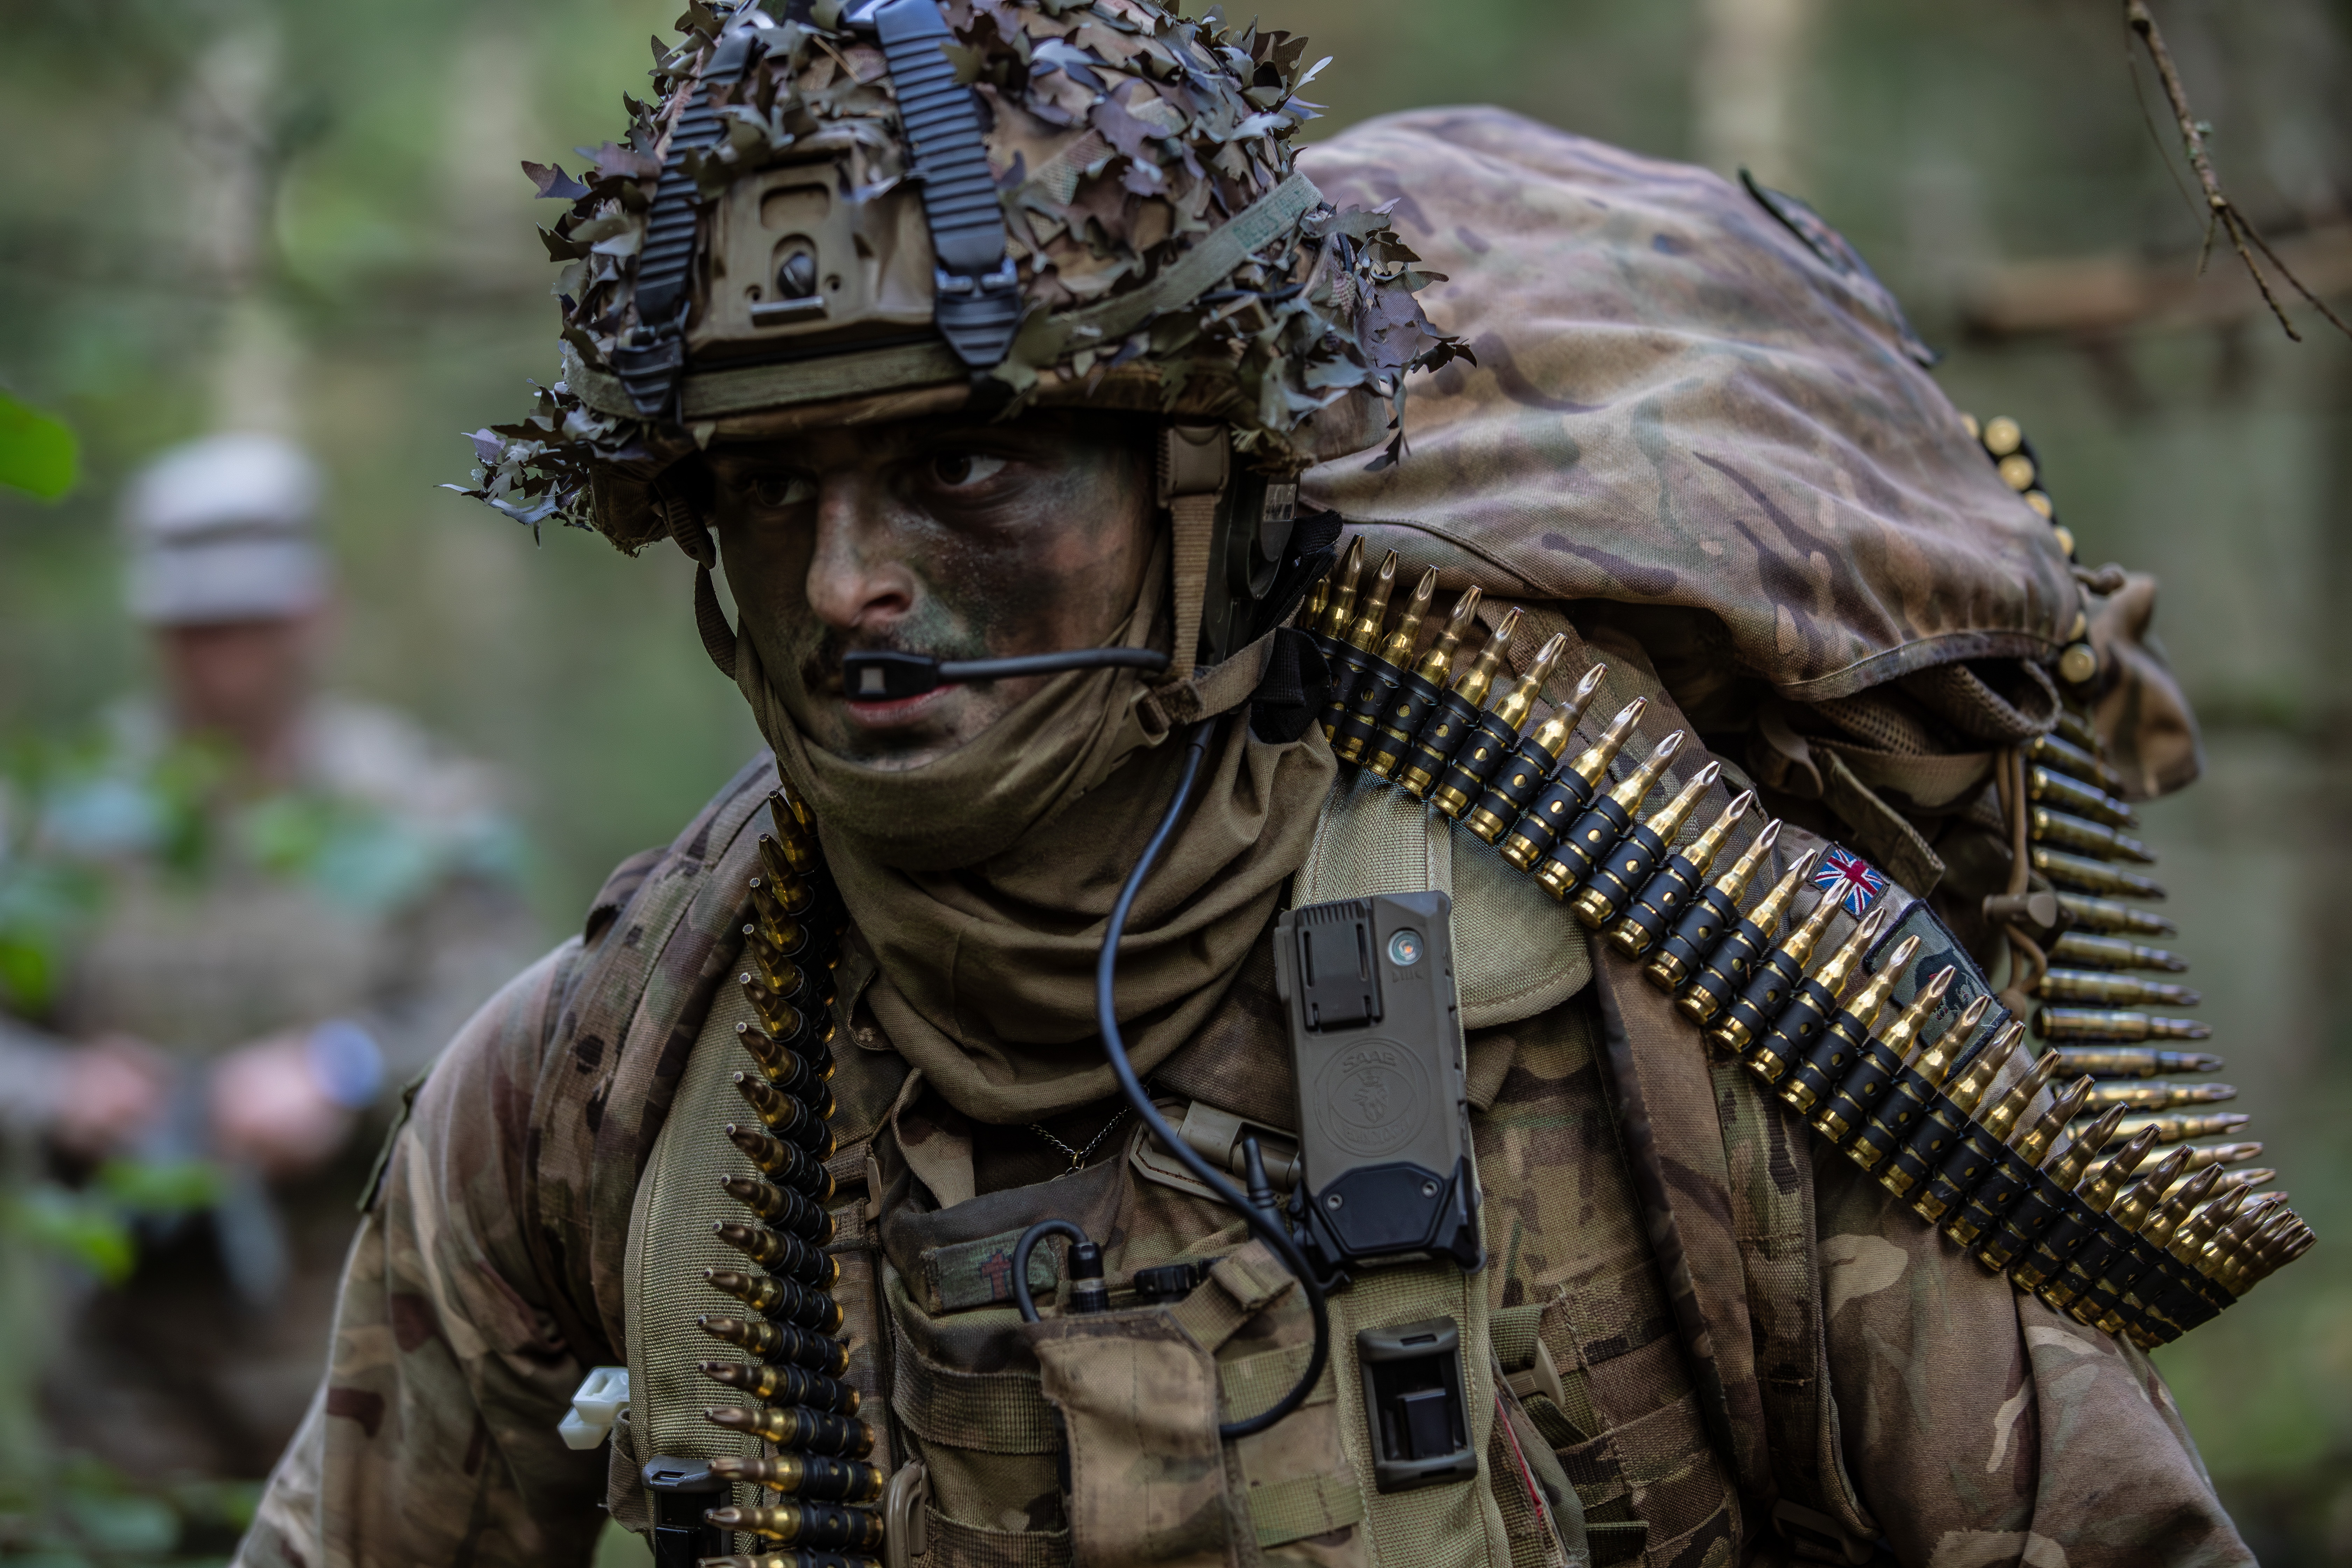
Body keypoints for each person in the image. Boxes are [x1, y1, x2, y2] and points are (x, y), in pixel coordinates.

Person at [234, 4, 2255, 1564]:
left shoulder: (1654, 968)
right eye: (770, 490)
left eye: (963, 466)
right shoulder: (604, 1079)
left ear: (1197, 486)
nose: (848, 584)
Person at [0, 430, 540, 1482]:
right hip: (120, 1373)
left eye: (246, 620)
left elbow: (506, 1018)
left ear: (313, 611)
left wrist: (338, 1066)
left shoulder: (420, 814)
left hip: (364, 1356)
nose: (221, 653)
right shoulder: (59, 823)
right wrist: (64, 1088)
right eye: (194, 624)